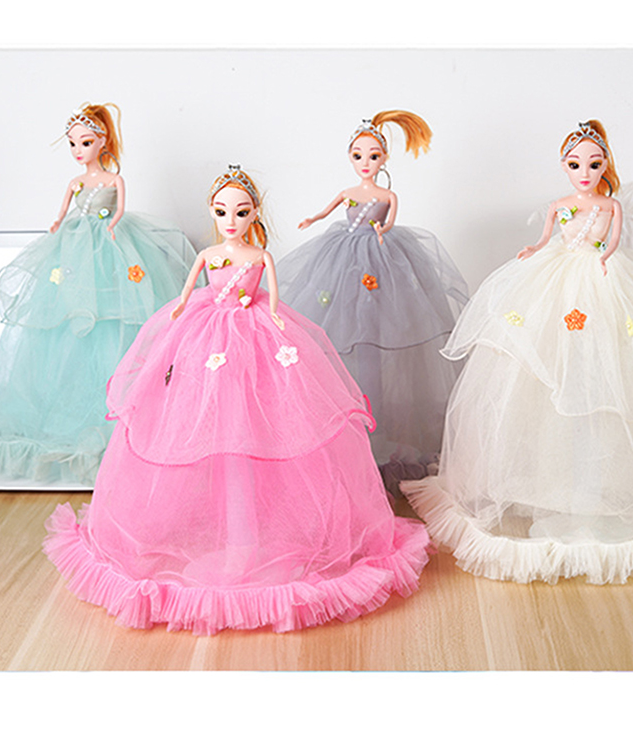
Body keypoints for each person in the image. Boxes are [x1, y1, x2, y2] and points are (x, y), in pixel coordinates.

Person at [44, 165, 430, 634]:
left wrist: (279, 324)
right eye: (222, 211)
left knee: (263, 426)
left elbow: (273, 298)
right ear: (212, 211)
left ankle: (249, 537)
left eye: (241, 212)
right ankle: (228, 535)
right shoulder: (209, 254)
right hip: (205, 333)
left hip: (256, 336)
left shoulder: (259, 255)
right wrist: (178, 315)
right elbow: (186, 293)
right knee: (197, 423)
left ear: (254, 213)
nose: (231, 220)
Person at [402, 120, 633, 584]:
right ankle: (566, 482)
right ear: (564, 166)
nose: (585, 172)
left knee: (612, 366)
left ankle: (603, 485)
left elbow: (613, 241)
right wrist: (533, 249)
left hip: (605, 279)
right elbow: (546, 238)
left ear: (604, 166)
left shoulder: (611, 205)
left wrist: (605, 258)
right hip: (556, 278)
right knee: (548, 368)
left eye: (594, 164)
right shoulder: (560, 206)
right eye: (576, 165)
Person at [0, 104, 195, 483]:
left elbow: (119, 211)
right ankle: (68, 411)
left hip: (110, 245)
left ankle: (121, 410)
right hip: (74, 247)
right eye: (73, 143)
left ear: (103, 141)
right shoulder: (76, 182)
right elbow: (62, 212)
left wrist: (112, 227)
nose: (78, 150)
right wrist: (58, 224)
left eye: (85, 142)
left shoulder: (114, 180)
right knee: (67, 320)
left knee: (115, 317)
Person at [276, 111, 468, 493]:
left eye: (373, 155)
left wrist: (382, 231)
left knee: (381, 327)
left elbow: (390, 221)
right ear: (350, 157)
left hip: (382, 257)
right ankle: (357, 434)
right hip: (343, 256)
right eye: (358, 155)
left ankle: (377, 438)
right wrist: (312, 219)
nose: (366, 162)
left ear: (384, 159)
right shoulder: (349, 193)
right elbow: (327, 210)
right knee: (342, 325)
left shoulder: (387, 195)